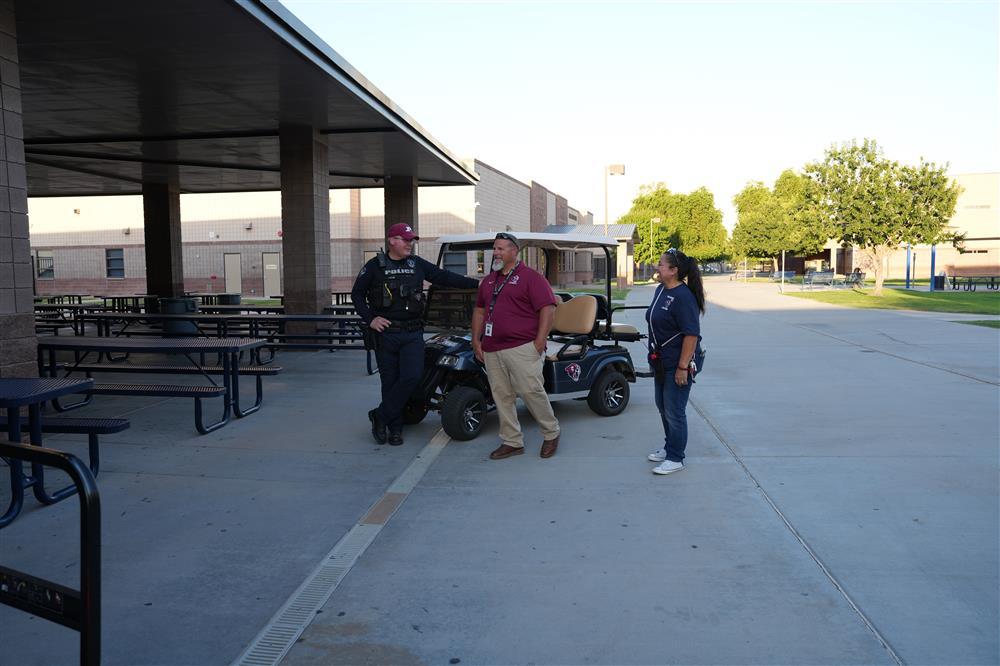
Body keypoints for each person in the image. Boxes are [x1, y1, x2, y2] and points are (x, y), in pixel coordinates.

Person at [352, 223, 479, 446]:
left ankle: (380, 416)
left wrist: (479, 284)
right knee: (389, 382)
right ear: (392, 240)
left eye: (412, 240)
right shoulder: (374, 267)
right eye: (405, 239)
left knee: (411, 377)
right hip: (386, 335)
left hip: (412, 333)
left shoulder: (417, 264)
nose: (410, 243)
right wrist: (371, 319)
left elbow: (444, 277)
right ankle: (395, 428)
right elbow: (357, 295)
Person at [471, 232, 561, 460]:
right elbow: (480, 310)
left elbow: (548, 309)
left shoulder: (531, 277)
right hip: (492, 348)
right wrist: (476, 339)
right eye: (495, 248)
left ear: (514, 251)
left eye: (501, 248)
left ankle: (551, 433)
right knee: (502, 395)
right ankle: (512, 441)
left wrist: (540, 342)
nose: (496, 252)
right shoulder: (489, 280)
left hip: (522, 346)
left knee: (531, 391)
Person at [645, 248, 705, 475]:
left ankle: (676, 457)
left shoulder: (684, 297)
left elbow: (691, 335)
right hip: (661, 360)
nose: (657, 267)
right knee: (663, 407)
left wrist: (682, 367)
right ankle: (670, 446)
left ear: (674, 271)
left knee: (674, 410)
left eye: (661, 265)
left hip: (678, 363)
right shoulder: (661, 289)